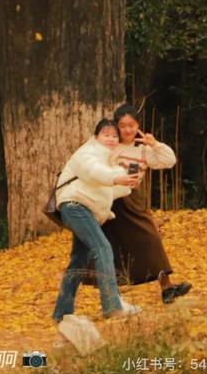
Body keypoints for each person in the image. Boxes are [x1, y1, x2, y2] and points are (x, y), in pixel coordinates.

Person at [52, 119, 141, 326]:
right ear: (96, 137)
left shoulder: (107, 162)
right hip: (75, 206)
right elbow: (95, 173)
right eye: (106, 135)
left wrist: (128, 184)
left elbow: (107, 187)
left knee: (78, 261)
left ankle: (62, 313)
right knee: (102, 249)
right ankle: (111, 306)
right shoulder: (88, 153)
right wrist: (118, 177)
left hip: (84, 211)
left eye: (114, 136)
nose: (111, 139)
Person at [103, 103, 192, 304]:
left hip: (132, 199)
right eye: (123, 125)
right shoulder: (109, 146)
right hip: (109, 200)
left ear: (138, 125)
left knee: (150, 238)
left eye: (132, 125)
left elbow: (169, 161)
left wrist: (155, 144)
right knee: (111, 246)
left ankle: (167, 287)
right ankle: (111, 297)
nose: (127, 129)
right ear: (116, 126)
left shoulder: (143, 150)